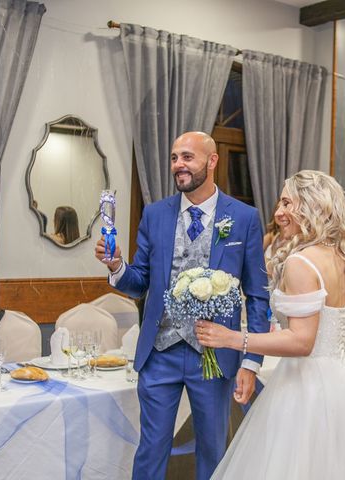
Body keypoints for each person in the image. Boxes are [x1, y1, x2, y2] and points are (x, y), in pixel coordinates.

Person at [94, 131, 269, 480]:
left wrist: (251, 361)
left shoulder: (244, 218)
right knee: (151, 448)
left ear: (212, 161)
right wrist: (117, 266)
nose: (179, 165)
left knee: (213, 450)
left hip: (214, 354)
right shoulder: (156, 214)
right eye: (175, 158)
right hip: (160, 352)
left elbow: (259, 294)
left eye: (187, 157)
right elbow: (140, 280)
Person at [196, 170, 345, 480]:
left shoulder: (301, 263)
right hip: (342, 388)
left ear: (311, 206)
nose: (278, 213)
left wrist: (233, 338)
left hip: (304, 390)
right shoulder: (343, 260)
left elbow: (301, 342)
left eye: (286, 203)